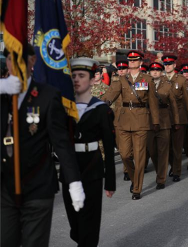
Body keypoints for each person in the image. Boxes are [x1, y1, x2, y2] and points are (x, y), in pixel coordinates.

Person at [1, 46, 84, 247]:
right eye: (11, 60)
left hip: (38, 185)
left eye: (22, 59)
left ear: (33, 61)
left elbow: (61, 142)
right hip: (4, 188)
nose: (16, 64)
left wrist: (74, 181)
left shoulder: (47, 95)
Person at [62, 58, 115, 246]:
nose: (77, 79)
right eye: (74, 76)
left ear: (93, 80)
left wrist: (110, 181)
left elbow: (109, 146)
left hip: (92, 166)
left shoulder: (101, 109)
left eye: (82, 76)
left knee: (89, 223)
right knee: (75, 224)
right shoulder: (63, 107)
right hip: (69, 167)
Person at [102, 50, 159, 200]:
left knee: (140, 157)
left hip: (141, 120)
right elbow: (111, 94)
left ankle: (137, 189)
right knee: (125, 154)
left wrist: (156, 121)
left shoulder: (147, 79)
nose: (132, 62)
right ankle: (135, 178)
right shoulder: (121, 79)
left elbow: (153, 102)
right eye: (130, 60)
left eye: (135, 60)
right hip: (124, 120)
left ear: (140, 62)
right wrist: (103, 103)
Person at [146, 62, 179, 189]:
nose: (155, 72)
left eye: (158, 70)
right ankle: (159, 171)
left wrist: (175, 121)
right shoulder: (144, 84)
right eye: (152, 70)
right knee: (152, 151)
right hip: (148, 120)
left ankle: (161, 179)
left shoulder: (167, 85)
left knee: (163, 151)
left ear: (161, 72)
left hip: (164, 121)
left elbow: (174, 105)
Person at [162, 55, 188, 182]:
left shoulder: (181, 80)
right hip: (165, 117)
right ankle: (173, 165)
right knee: (167, 146)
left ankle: (177, 171)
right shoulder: (160, 79)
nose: (167, 66)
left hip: (179, 117)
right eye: (166, 64)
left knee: (177, 146)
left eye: (170, 64)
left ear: (175, 65)